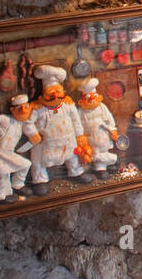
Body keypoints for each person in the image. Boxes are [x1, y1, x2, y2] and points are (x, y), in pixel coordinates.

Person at [28, 65, 94, 193]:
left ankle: (76, 172)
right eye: (51, 94)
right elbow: (28, 122)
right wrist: (33, 134)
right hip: (45, 143)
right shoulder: (37, 108)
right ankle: (40, 180)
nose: (55, 96)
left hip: (67, 140)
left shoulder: (68, 104)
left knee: (73, 155)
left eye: (58, 93)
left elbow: (76, 120)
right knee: (38, 159)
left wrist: (79, 135)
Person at [0, 95, 40, 202]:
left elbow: (30, 129)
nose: (23, 110)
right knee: (2, 173)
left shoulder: (23, 124)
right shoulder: (4, 119)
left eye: (26, 107)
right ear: (12, 110)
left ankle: (17, 184)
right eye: (19, 108)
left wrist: (34, 138)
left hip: (7, 154)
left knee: (26, 164)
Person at [76, 78, 120, 178]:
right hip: (89, 140)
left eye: (94, 96)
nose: (91, 99)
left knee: (100, 153)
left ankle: (104, 165)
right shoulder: (80, 111)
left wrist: (113, 130)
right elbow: (77, 124)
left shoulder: (102, 107)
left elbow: (109, 120)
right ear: (83, 98)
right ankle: (113, 160)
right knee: (93, 154)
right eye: (88, 97)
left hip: (103, 137)